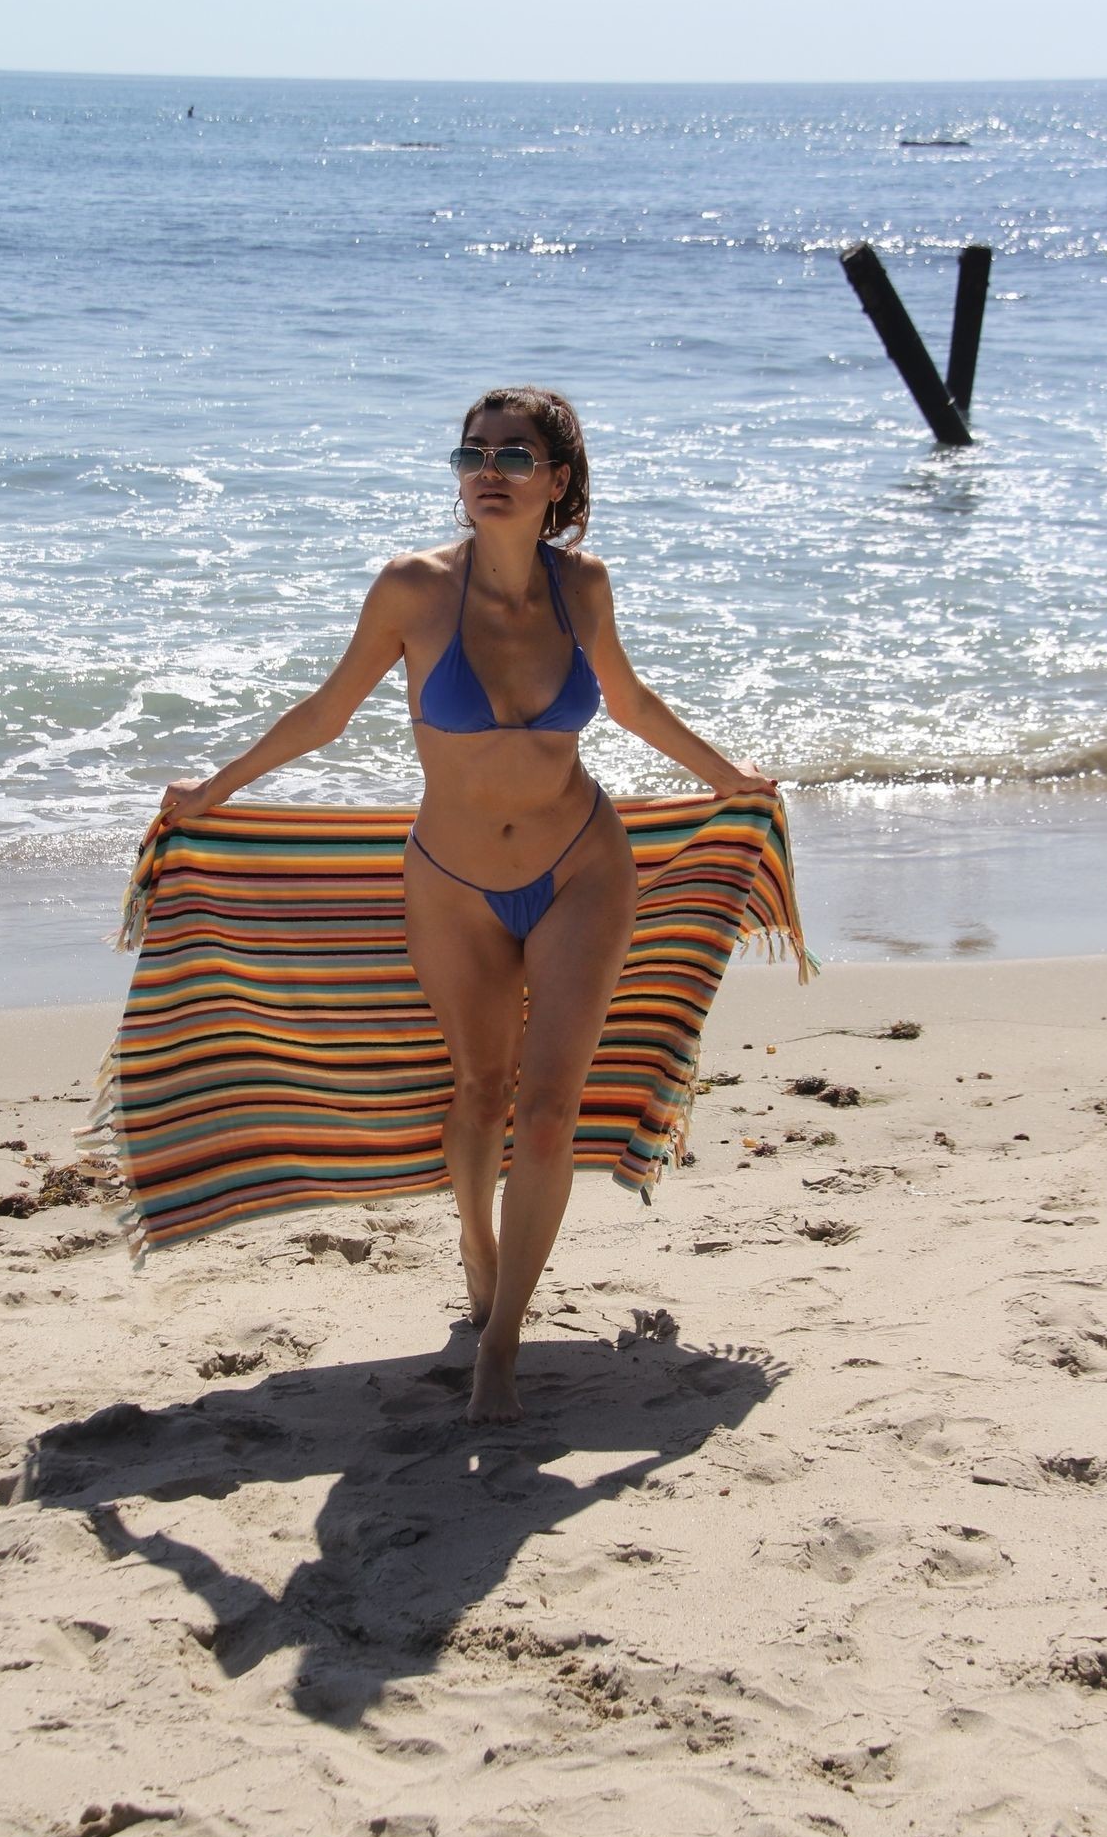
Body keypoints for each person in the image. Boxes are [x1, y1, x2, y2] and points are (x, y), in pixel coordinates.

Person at [160, 385, 777, 1424]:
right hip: (450, 884)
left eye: (514, 455)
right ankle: (476, 1245)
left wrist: (729, 779)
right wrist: (212, 790)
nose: (488, 471)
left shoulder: (583, 586)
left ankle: (502, 1341)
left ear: (557, 480)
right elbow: (327, 710)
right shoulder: (411, 588)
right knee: (481, 1092)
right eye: (472, 454)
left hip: (582, 865)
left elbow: (629, 703)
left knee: (548, 1112)